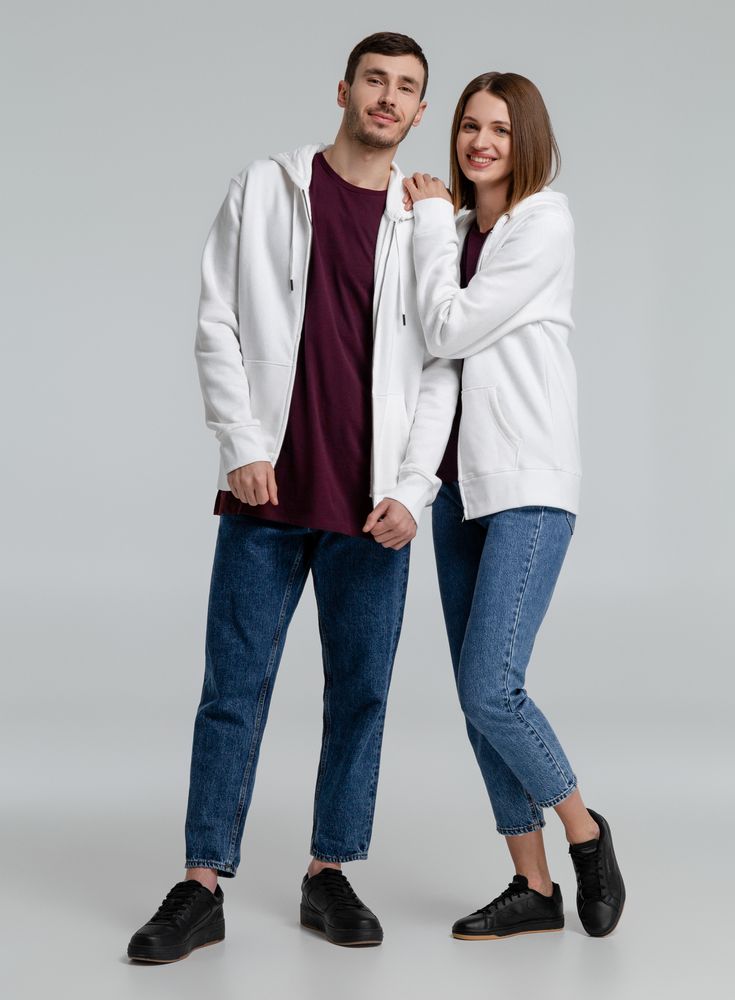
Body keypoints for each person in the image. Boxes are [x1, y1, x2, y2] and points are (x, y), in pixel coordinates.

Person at [127, 32, 459, 962]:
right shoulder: (268, 188)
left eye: (406, 88)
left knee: (362, 693)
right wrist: (240, 443)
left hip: (373, 508)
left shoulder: (426, 217)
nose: (388, 97)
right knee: (232, 690)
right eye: (375, 80)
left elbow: (443, 365)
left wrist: (414, 488)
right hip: (269, 491)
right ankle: (201, 885)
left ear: (420, 111)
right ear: (344, 89)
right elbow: (217, 320)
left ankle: (329, 871)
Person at [403, 72, 625, 940]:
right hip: (456, 488)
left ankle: (585, 832)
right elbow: (429, 357)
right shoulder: (457, 231)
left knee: (491, 686)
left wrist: (428, 221)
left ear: (525, 138)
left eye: (498, 128)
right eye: (468, 126)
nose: (480, 142)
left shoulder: (543, 221)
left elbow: (448, 327)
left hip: (528, 481)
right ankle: (532, 886)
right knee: (476, 697)